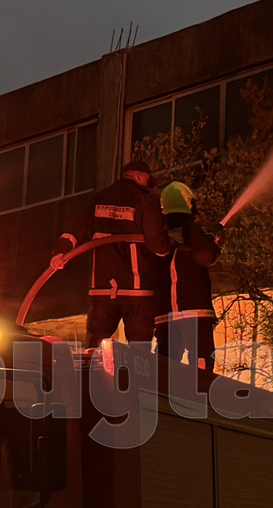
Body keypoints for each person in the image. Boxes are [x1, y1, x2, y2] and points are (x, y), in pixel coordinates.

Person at [50, 160, 171, 349]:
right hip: (136, 288)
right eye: (148, 180)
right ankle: (136, 379)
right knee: (139, 349)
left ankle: (92, 377)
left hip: (102, 288)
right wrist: (169, 249)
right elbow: (157, 243)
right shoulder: (146, 200)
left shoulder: (100, 198)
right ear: (139, 176)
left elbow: (78, 228)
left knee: (96, 344)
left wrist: (60, 252)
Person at [153, 181, 221, 374]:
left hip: (165, 313)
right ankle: (200, 396)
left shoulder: (157, 235)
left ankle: (160, 399)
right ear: (190, 204)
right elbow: (206, 256)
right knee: (202, 359)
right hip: (195, 311)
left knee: (164, 364)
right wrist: (210, 240)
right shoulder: (192, 232)